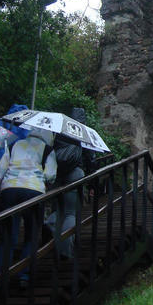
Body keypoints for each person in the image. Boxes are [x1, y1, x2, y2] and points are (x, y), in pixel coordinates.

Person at [0, 128, 56, 287]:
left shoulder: (14, 145)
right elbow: (50, 175)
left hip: (10, 190)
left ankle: (0, 277)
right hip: (34, 191)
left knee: (8, 236)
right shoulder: (47, 150)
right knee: (32, 235)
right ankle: (24, 276)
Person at [49, 108, 94, 259]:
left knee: (57, 209)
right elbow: (90, 158)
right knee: (70, 213)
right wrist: (93, 182)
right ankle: (65, 251)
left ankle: (50, 223)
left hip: (58, 174)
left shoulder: (61, 129)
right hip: (75, 173)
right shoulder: (83, 133)